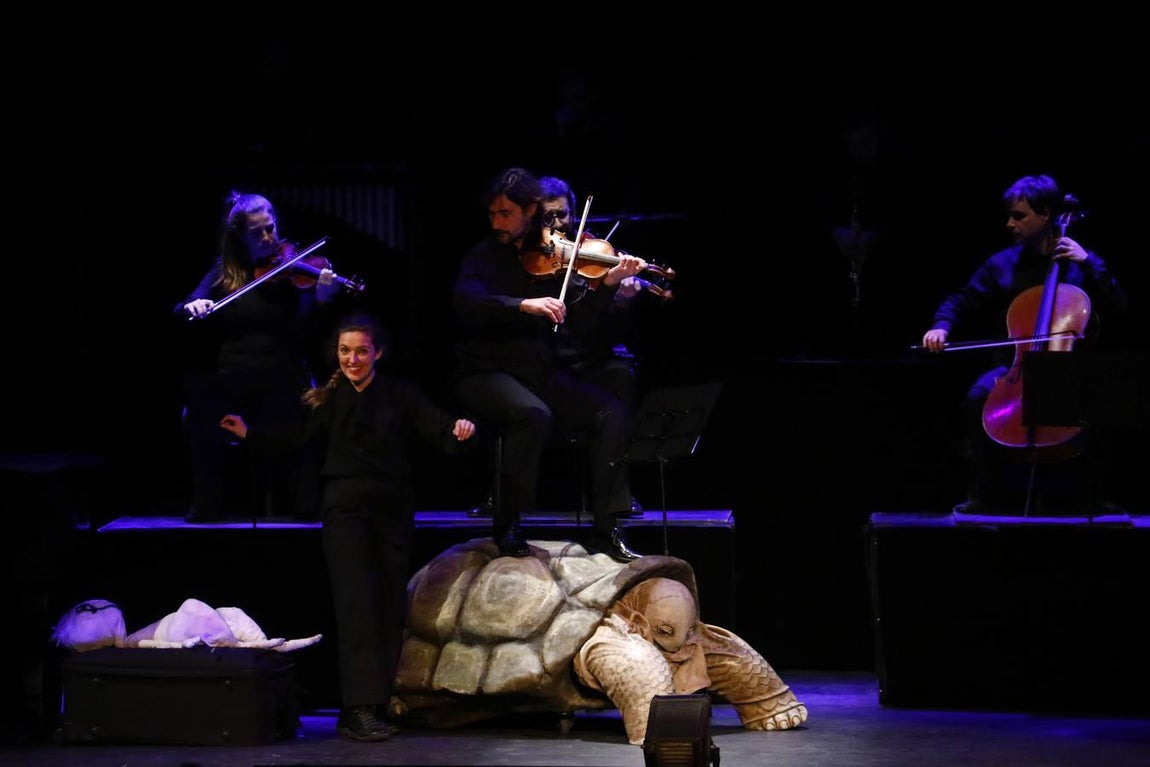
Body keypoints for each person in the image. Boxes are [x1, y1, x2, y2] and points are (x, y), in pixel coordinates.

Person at [220, 312, 478, 742]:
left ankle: (375, 704)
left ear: (378, 352)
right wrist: (249, 434)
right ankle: (357, 707)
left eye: (361, 351)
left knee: (387, 607)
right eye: (345, 351)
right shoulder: (329, 397)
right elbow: (293, 437)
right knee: (357, 606)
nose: (352, 359)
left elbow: (438, 428)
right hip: (345, 512)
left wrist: (460, 430)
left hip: (393, 511)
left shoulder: (399, 393)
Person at [452, 166, 647, 562]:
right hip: (485, 371)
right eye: (493, 214)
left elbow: (580, 324)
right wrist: (522, 305)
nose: (496, 222)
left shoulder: (555, 255)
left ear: (529, 211)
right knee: (532, 414)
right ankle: (507, 522)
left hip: (534, 371)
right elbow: (466, 304)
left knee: (608, 411)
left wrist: (607, 289)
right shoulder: (483, 256)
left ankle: (606, 528)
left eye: (505, 214)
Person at [920, 174, 1128, 515]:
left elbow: (1120, 306)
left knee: (1102, 397)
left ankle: (1093, 496)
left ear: (1046, 215)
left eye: (1019, 216)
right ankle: (986, 493)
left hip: (1067, 366)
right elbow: (961, 298)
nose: (1010, 223)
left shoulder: (1080, 262)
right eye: (1010, 216)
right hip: (1013, 366)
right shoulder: (1002, 263)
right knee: (977, 398)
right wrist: (941, 327)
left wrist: (1089, 262)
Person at [174, 190, 343, 522]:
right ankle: (208, 506)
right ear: (240, 236)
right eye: (257, 232)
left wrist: (324, 297)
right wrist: (193, 305)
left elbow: (308, 329)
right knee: (196, 413)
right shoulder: (225, 271)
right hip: (235, 376)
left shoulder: (297, 268)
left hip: (285, 372)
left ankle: (307, 505)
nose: (268, 237)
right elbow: (182, 308)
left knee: (316, 411)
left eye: (271, 227)